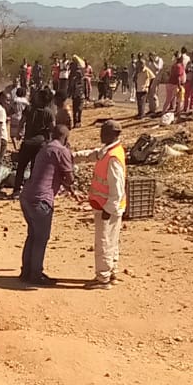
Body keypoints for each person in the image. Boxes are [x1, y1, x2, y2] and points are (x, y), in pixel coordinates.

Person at [19, 123, 80, 287]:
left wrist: (71, 191)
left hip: (27, 196)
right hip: (41, 200)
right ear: (66, 137)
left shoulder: (45, 148)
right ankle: (36, 274)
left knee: (32, 235)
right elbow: (69, 178)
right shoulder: (62, 151)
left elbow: (53, 174)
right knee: (41, 238)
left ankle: (26, 271)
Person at [76, 120, 127, 289]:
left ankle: (103, 278)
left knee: (104, 242)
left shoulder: (113, 157)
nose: (101, 135)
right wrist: (72, 156)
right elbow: (92, 154)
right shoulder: (109, 151)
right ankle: (112, 272)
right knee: (112, 241)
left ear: (114, 135)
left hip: (107, 207)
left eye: (104, 132)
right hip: (108, 205)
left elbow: (117, 187)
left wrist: (109, 209)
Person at [12, 87, 56, 195]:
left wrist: (18, 133)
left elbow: (22, 122)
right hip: (40, 144)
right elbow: (53, 128)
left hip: (27, 142)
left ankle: (17, 190)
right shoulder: (49, 113)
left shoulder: (29, 109)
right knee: (35, 168)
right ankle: (32, 190)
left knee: (21, 167)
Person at [68, 58, 85, 127]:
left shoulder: (83, 81)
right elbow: (71, 87)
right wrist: (70, 94)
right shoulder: (73, 80)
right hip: (75, 96)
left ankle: (79, 121)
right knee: (75, 111)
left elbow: (85, 89)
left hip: (81, 97)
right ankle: (75, 123)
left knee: (80, 109)